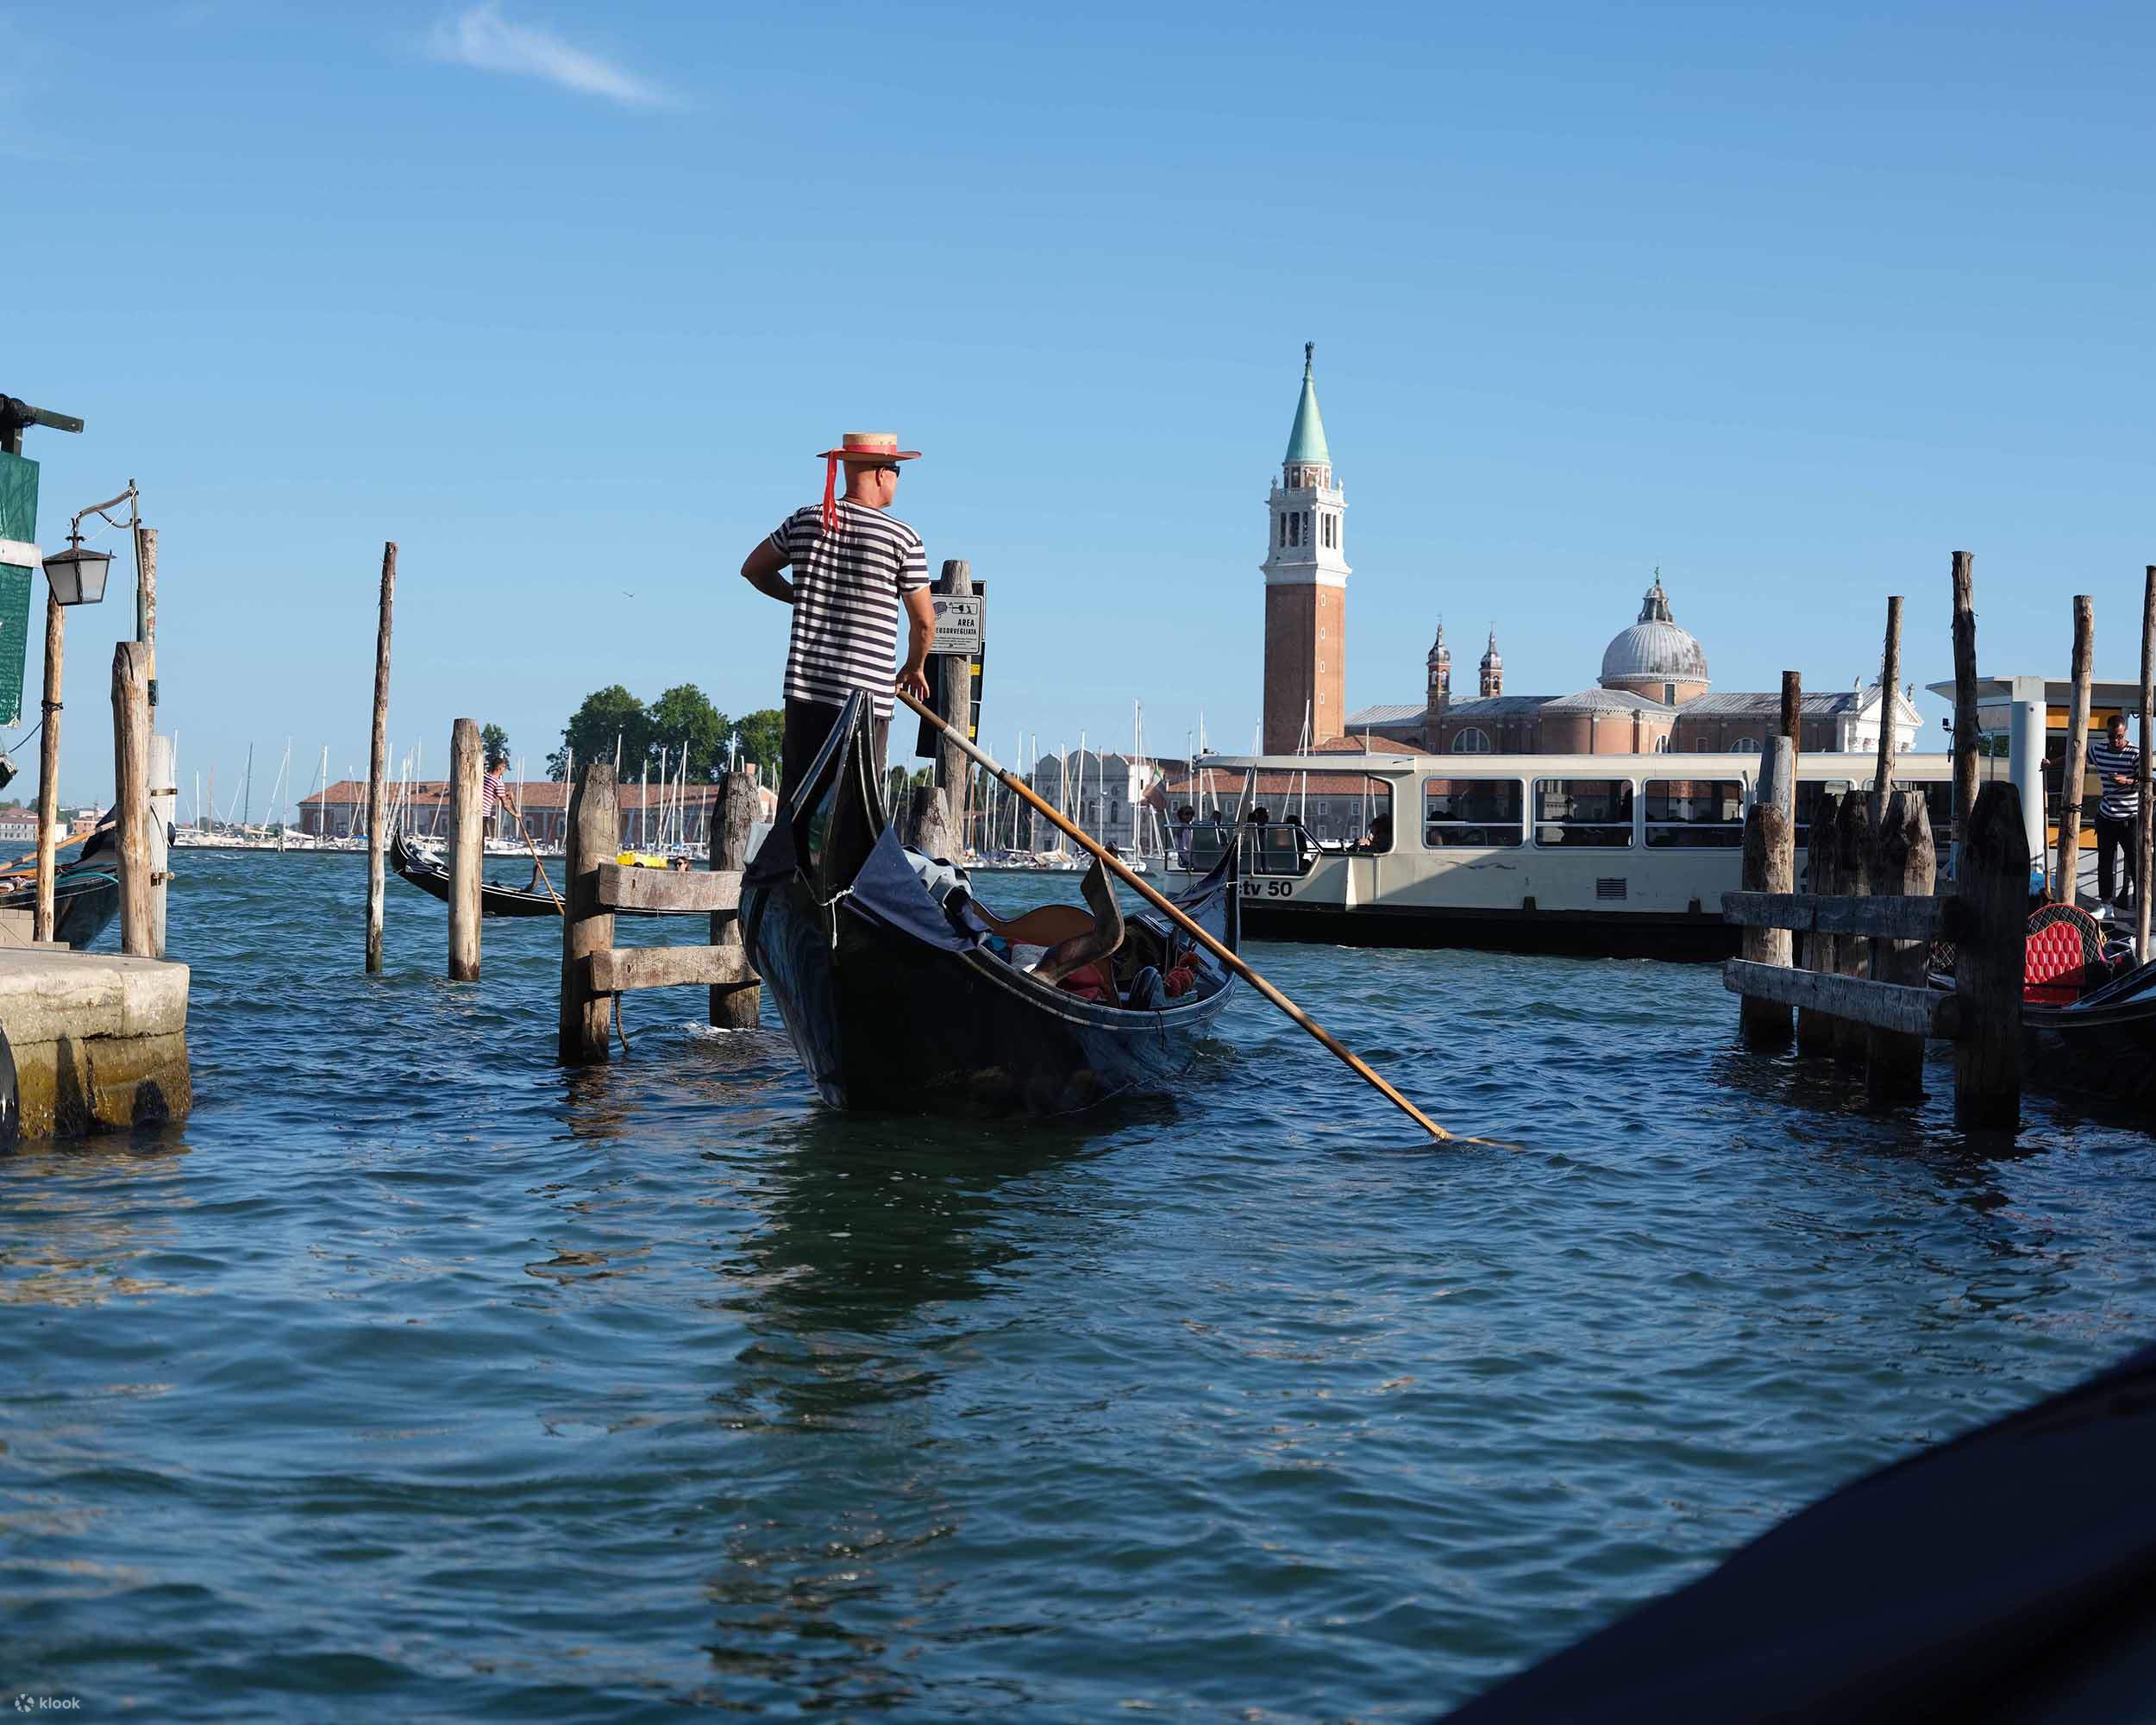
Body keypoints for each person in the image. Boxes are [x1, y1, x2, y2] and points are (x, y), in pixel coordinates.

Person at [739, 431, 936, 795]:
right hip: (864, 698)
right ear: (880, 473)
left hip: (804, 690)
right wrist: (914, 666)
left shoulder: (804, 520)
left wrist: (801, 599)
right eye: (896, 470)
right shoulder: (902, 538)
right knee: (853, 804)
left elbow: (753, 569)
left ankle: (791, 855)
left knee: (800, 798)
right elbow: (924, 622)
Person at [2089, 712, 2142, 918]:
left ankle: (2141, 905)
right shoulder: (2099, 750)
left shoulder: (2135, 753)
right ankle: (2106, 905)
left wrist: (2126, 781)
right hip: (2106, 815)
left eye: (2119, 736)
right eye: (2112, 737)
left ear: (2125, 732)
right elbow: (2075, 756)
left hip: (2129, 817)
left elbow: (2148, 781)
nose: (2116, 741)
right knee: (2105, 862)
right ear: (2107, 734)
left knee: (2135, 862)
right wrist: (2051, 764)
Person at [482, 756, 515, 842]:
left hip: (475, 811)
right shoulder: (498, 783)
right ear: (499, 768)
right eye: (504, 767)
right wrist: (516, 814)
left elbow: (489, 791)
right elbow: (506, 805)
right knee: (480, 841)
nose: (505, 769)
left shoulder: (484, 776)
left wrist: (505, 794)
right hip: (483, 813)